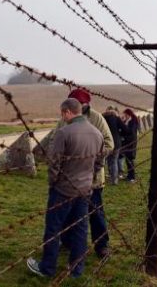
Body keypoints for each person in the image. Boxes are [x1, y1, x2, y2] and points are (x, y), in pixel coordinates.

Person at [27, 98, 104, 277]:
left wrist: (54, 182)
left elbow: (54, 163)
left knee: (53, 228)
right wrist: (89, 178)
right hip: (85, 190)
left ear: (67, 112)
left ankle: (47, 268)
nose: (63, 117)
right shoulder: (97, 133)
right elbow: (99, 162)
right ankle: (76, 269)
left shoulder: (64, 132)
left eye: (63, 114)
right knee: (80, 229)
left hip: (63, 189)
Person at [60, 88, 114, 258]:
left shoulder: (97, 118)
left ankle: (101, 245)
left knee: (96, 212)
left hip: (93, 179)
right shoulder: (65, 118)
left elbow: (109, 143)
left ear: (85, 105)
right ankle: (68, 241)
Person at [102, 106, 129, 185]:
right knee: (114, 161)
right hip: (116, 143)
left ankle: (105, 177)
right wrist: (120, 133)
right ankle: (114, 180)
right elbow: (125, 129)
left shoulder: (102, 118)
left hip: (106, 142)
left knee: (105, 161)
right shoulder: (116, 118)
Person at [121, 109, 139, 182]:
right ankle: (129, 175)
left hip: (131, 143)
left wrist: (124, 137)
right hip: (127, 143)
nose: (125, 116)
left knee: (130, 160)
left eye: (126, 115)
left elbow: (131, 133)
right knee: (127, 160)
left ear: (129, 114)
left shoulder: (133, 122)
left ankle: (132, 177)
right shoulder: (127, 121)